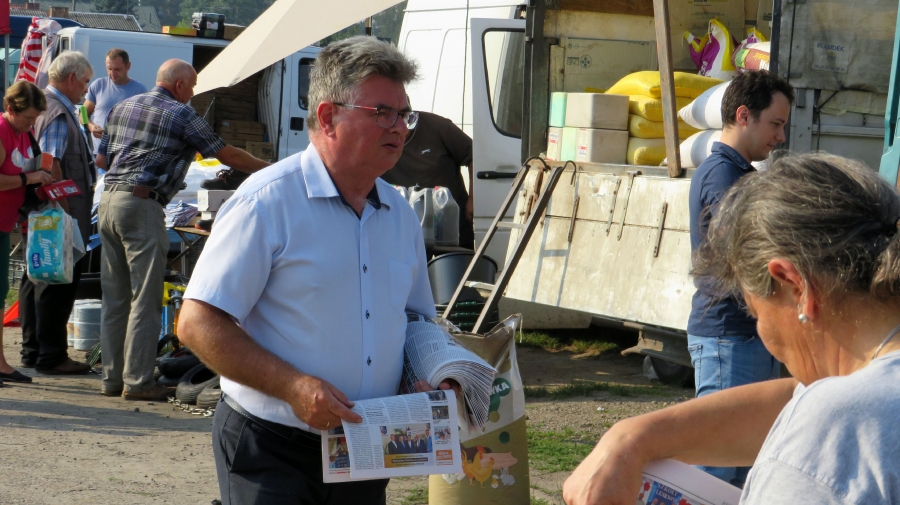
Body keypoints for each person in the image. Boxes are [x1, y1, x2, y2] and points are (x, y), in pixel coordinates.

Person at [177, 36, 457, 504]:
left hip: (367, 443)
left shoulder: (400, 215)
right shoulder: (265, 202)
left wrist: (431, 371)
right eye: (382, 112)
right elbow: (197, 322)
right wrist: (293, 387)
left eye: (404, 114)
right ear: (328, 117)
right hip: (272, 446)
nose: (399, 128)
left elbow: (414, 319)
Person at [563, 153, 900, 505]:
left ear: (794, 287)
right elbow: (799, 398)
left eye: (756, 312)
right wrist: (633, 437)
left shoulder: (832, 431)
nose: (763, 332)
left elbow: (830, 412)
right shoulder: (862, 397)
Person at [96, 59, 270, 401]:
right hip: (141, 204)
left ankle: (112, 379)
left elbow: (102, 160)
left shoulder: (122, 107)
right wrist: (270, 169)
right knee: (145, 298)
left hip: (108, 201)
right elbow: (227, 155)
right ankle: (138, 382)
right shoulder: (181, 113)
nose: (192, 94)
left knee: (115, 298)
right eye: (191, 87)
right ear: (179, 86)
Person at [685, 70, 794, 485]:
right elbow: (741, 253)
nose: (780, 137)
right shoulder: (722, 175)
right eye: (776, 124)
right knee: (715, 468)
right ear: (744, 115)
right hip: (728, 337)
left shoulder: (741, 174)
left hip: (745, 337)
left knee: (746, 467)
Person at [20, 51, 95, 375]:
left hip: (41, 209)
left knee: (35, 274)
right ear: (72, 78)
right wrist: (63, 213)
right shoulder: (58, 111)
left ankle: (34, 351)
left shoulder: (46, 105)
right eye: (86, 81)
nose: (87, 89)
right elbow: (51, 164)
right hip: (57, 210)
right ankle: (50, 355)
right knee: (58, 279)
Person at [0, 81, 52, 385]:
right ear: (11, 109)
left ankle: (1, 363)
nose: (32, 124)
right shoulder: (2, 131)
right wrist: (28, 179)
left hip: (6, 222)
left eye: (35, 119)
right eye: (29, 118)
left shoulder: (23, 132)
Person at [381, 110, 475, 249]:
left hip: (450, 230)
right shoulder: (375, 135)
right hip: (401, 233)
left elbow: (475, 154)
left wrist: (473, 198)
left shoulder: (438, 126)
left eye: (405, 115)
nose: (400, 127)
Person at [83, 48, 147, 152]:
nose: (112, 73)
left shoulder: (139, 90)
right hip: (98, 153)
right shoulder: (98, 85)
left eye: (117, 69)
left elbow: (144, 124)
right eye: (109, 69)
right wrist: (91, 126)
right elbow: (83, 113)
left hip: (124, 154)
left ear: (128, 66)